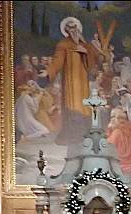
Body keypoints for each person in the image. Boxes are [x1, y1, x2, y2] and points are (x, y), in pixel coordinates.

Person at [44, 17, 102, 145]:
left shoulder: (85, 45)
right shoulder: (63, 45)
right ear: (66, 30)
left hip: (82, 83)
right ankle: (72, 137)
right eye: (70, 28)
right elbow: (57, 60)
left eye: (75, 27)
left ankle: (86, 136)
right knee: (73, 106)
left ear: (78, 28)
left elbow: (95, 59)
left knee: (84, 106)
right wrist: (49, 71)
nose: (73, 30)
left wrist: (86, 51)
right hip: (70, 83)